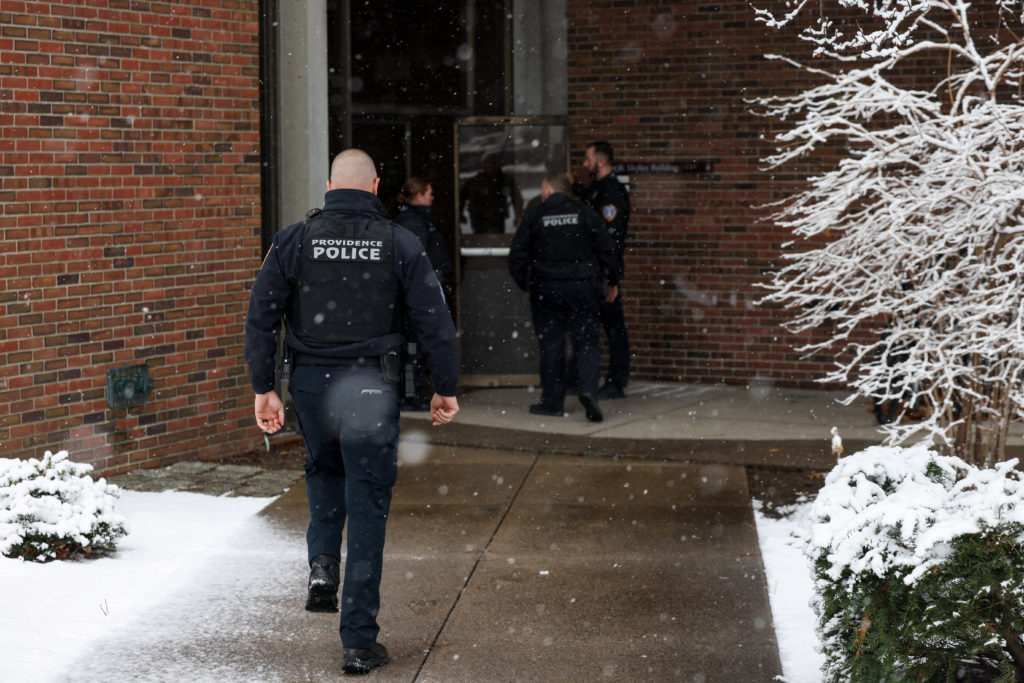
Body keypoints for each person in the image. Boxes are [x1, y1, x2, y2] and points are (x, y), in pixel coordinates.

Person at [244, 149, 460, 676]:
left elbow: (261, 314)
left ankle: (322, 564)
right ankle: (359, 642)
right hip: (371, 385)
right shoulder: (399, 242)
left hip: (312, 384)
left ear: (328, 186)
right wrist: (444, 387)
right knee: (367, 502)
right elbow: (435, 321)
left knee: (323, 466)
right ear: (376, 186)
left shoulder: (295, 239)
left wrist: (263, 388)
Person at [508, 172, 620, 423]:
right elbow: (607, 249)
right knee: (587, 342)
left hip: (546, 288)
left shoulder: (535, 216)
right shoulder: (585, 214)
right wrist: (612, 281)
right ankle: (588, 390)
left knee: (552, 346)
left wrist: (525, 284)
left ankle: (552, 403)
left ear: (548, 190)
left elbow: (516, 257)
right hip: (582, 287)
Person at [572, 140, 631, 400]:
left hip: (604, 272)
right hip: (593, 271)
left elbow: (611, 239)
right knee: (589, 327)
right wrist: (574, 186)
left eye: (588, 159)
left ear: (602, 161)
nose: (585, 164)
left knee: (613, 328)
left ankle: (616, 382)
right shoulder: (599, 190)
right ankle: (582, 378)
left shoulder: (613, 193)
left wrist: (612, 278)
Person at [393, 177, 454, 411]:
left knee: (414, 346)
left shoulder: (414, 219)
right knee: (413, 347)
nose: (432, 196)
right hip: (415, 294)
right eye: (429, 192)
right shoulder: (413, 221)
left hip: (415, 293)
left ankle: (412, 393)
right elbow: (414, 261)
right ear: (418, 196)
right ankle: (410, 395)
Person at [459, 152, 523, 233]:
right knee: (481, 239)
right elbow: (461, 197)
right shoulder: (475, 181)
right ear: (484, 165)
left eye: (494, 163)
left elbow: (517, 198)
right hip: (479, 218)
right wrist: (459, 214)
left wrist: (518, 216)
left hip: (497, 217)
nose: (492, 166)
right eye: (489, 163)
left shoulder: (505, 180)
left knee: (495, 239)